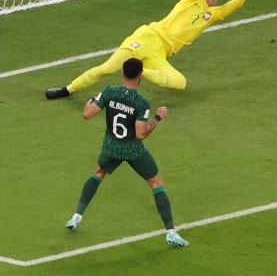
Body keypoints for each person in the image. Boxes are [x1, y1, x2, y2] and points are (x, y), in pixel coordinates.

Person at [45, 0, 268, 97]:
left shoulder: (214, 14)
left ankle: (138, 73)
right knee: (107, 68)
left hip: (160, 53)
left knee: (180, 83)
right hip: (147, 37)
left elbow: (236, 3)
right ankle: (68, 89)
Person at [63, 58, 190, 248]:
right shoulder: (141, 102)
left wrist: (89, 101)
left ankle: (76, 217)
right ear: (140, 75)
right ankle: (171, 232)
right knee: (155, 182)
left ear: (123, 73)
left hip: (111, 147)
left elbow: (87, 114)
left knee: (98, 173)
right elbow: (140, 134)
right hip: (132, 150)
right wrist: (157, 118)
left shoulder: (109, 91)